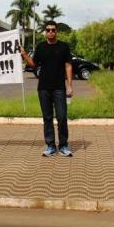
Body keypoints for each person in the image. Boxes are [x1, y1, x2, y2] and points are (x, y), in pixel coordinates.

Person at [21, 21, 74, 157]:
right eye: (48, 30)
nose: (50, 32)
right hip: (43, 88)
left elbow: (68, 66)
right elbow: (33, 64)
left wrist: (70, 85)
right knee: (47, 117)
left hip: (59, 88)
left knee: (62, 117)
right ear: (45, 31)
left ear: (56, 31)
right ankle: (50, 145)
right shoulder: (41, 47)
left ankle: (63, 145)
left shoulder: (63, 47)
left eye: (53, 30)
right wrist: (25, 54)